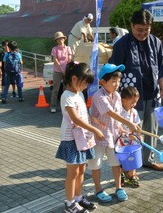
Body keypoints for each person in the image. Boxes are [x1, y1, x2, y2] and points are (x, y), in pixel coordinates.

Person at [109, 8, 163, 171]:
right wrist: (113, 96)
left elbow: (161, 69)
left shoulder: (155, 42)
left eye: (146, 30)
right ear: (132, 25)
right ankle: (126, 164)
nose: (143, 33)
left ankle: (148, 159)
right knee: (129, 131)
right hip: (129, 97)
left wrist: (162, 88)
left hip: (152, 93)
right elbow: (113, 71)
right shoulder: (122, 44)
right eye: (139, 29)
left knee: (150, 128)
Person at [55, 62, 104, 213]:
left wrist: (93, 121)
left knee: (82, 170)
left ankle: (78, 198)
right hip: (71, 139)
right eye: (84, 83)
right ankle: (69, 204)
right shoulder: (67, 95)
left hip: (83, 138)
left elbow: (84, 115)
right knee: (72, 173)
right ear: (75, 78)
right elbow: (75, 119)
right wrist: (94, 130)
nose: (85, 87)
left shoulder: (79, 94)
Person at [88, 63, 140, 202]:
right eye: (113, 81)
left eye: (118, 81)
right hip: (98, 136)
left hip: (113, 137)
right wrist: (129, 123)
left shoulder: (116, 95)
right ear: (103, 82)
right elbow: (110, 113)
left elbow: (116, 118)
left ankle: (118, 187)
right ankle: (98, 189)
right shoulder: (99, 96)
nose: (117, 84)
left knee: (116, 163)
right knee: (96, 164)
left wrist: (123, 130)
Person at [118, 86, 142, 188]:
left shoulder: (134, 112)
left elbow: (138, 126)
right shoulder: (118, 112)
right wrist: (127, 134)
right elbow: (117, 127)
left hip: (132, 141)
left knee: (133, 158)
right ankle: (122, 176)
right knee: (121, 160)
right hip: (121, 141)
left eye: (136, 102)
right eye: (132, 102)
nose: (134, 105)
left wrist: (139, 136)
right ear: (123, 100)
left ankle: (131, 175)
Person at [50, 31, 73, 113]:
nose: (60, 40)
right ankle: (53, 106)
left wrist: (67, 70)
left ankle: (65, 107)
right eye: (58, 39)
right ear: (56, 41)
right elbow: (55, 60)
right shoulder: (54, 49)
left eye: (61, 38)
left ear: (64, 39)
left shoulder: (68, 48)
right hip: (57, 71)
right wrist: (62, 70)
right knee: (55, 89)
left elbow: (69, 60)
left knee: (66, 89)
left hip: (66, 70)